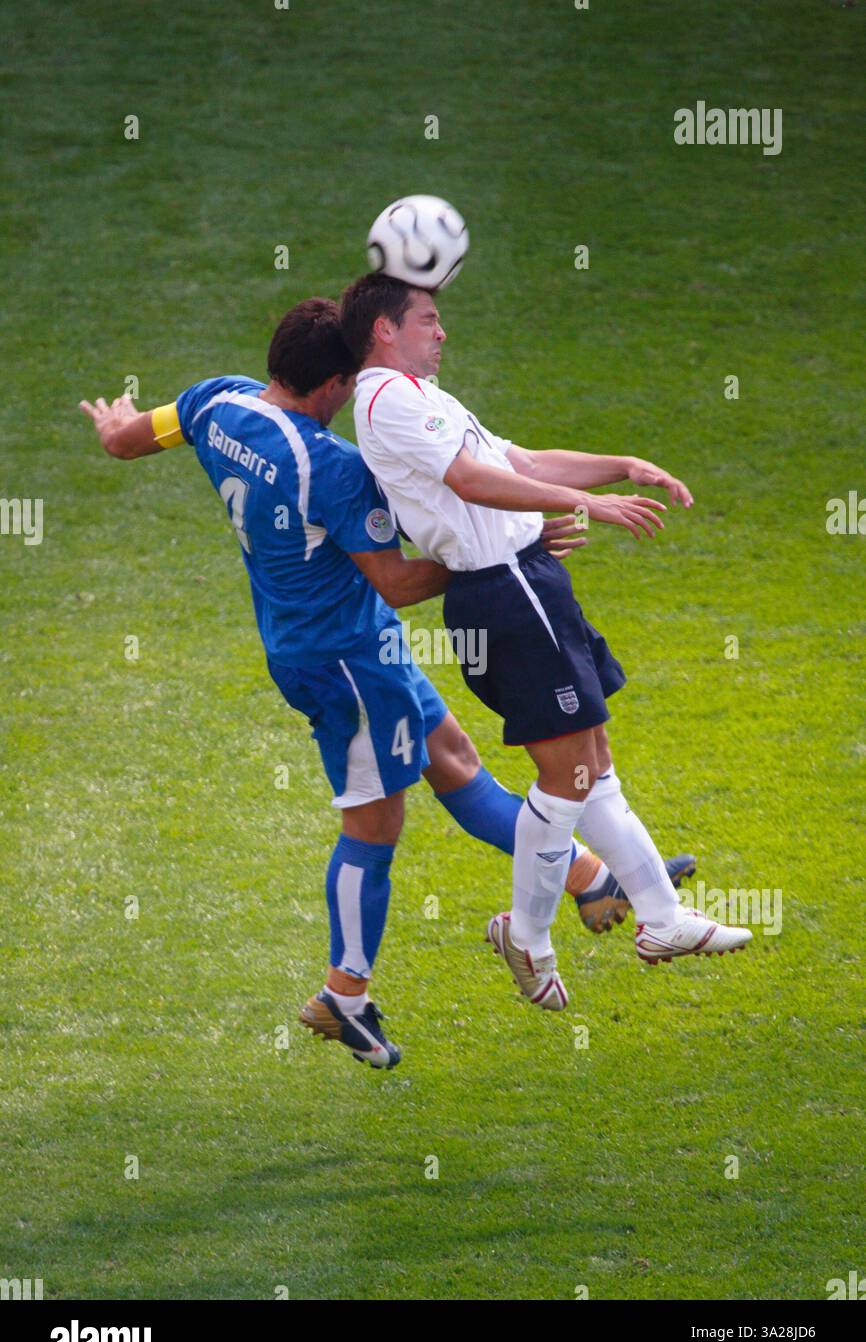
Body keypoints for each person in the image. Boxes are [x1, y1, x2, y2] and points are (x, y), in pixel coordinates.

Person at [80, 299, 695, 1068]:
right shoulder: (335, 470)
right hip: (343, 661)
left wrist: (113, 425)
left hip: (332, 641)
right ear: (337, 384)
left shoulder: (218, 399)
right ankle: (345, 996)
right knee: (373, 825)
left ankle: (595, 878)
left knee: (456, 761)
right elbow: (400, 582)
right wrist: (504, 548)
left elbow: (131, 439)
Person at [340, 274, 751, 1011]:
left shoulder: (426, 399)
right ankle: (528, 934)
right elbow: (470, 480)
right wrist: (586, 502)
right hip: (504, 593)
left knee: (592, 765)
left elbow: (518, 463)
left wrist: (621, 465)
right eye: (429, 319)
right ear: (383, 329)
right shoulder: (385, 398)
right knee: (567, 776)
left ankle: (663, 919)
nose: (441, 332)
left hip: (528, 579)